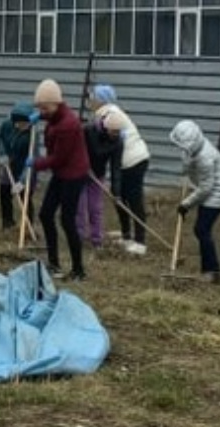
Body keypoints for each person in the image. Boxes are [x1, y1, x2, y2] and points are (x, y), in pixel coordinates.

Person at [31, 79, 90, 281]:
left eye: (44, 108)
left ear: (56, 103)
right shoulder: (56, 116)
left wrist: (36, 163)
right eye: (39, 108)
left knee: (67, 220)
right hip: (61, 173)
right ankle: (54, 263)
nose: (42, 111)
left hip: (73, 175)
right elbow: (49, 121)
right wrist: (37, 117)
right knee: (46, 214)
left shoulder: (68, 124)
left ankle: (78, 270)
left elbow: (59, 158)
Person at [168, 120, 220, 283]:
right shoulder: (192, 149)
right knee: (201, 229)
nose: (182, 149)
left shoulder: (205, 156)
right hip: (209, 190)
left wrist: (186, 204)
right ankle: (211, 270)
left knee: (202, 229)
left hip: (219, 193)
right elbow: (188, 161)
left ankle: (212, 272)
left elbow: (206, 188)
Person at [91, 84, 151, 256]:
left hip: (134, 160)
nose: (91, 101)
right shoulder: (107, 112)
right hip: (126, 162)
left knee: (133, 199)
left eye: (93, 97)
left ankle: (140, 242)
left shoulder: (109, 114)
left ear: (101, 100)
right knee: (119, 197)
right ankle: (126, 236)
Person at [0, 102, 37, 234]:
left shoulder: (33, 134)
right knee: (4, 193)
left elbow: (32, 159)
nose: (23, 126)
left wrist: (22, 181)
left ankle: (27, 228)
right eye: (20, 124)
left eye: (26, 124)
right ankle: (7, 224)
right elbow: (1, 138)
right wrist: (3, 153)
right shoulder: (7, 125)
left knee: (25, 198)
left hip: (26, 169)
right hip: (9, 166)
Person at [81, 112, 121, 247]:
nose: (116, 134)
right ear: (106, 127)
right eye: (114, 131)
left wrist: (116, 192)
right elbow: (79, 149)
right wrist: (84, 165)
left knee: (95, 208)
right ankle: (78, 237)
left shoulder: (118, 142)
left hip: (97, 175)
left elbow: (116, 167)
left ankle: (96, 239)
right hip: (80, 172)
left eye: (118, 132)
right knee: (79, 207)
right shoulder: (88, 130)